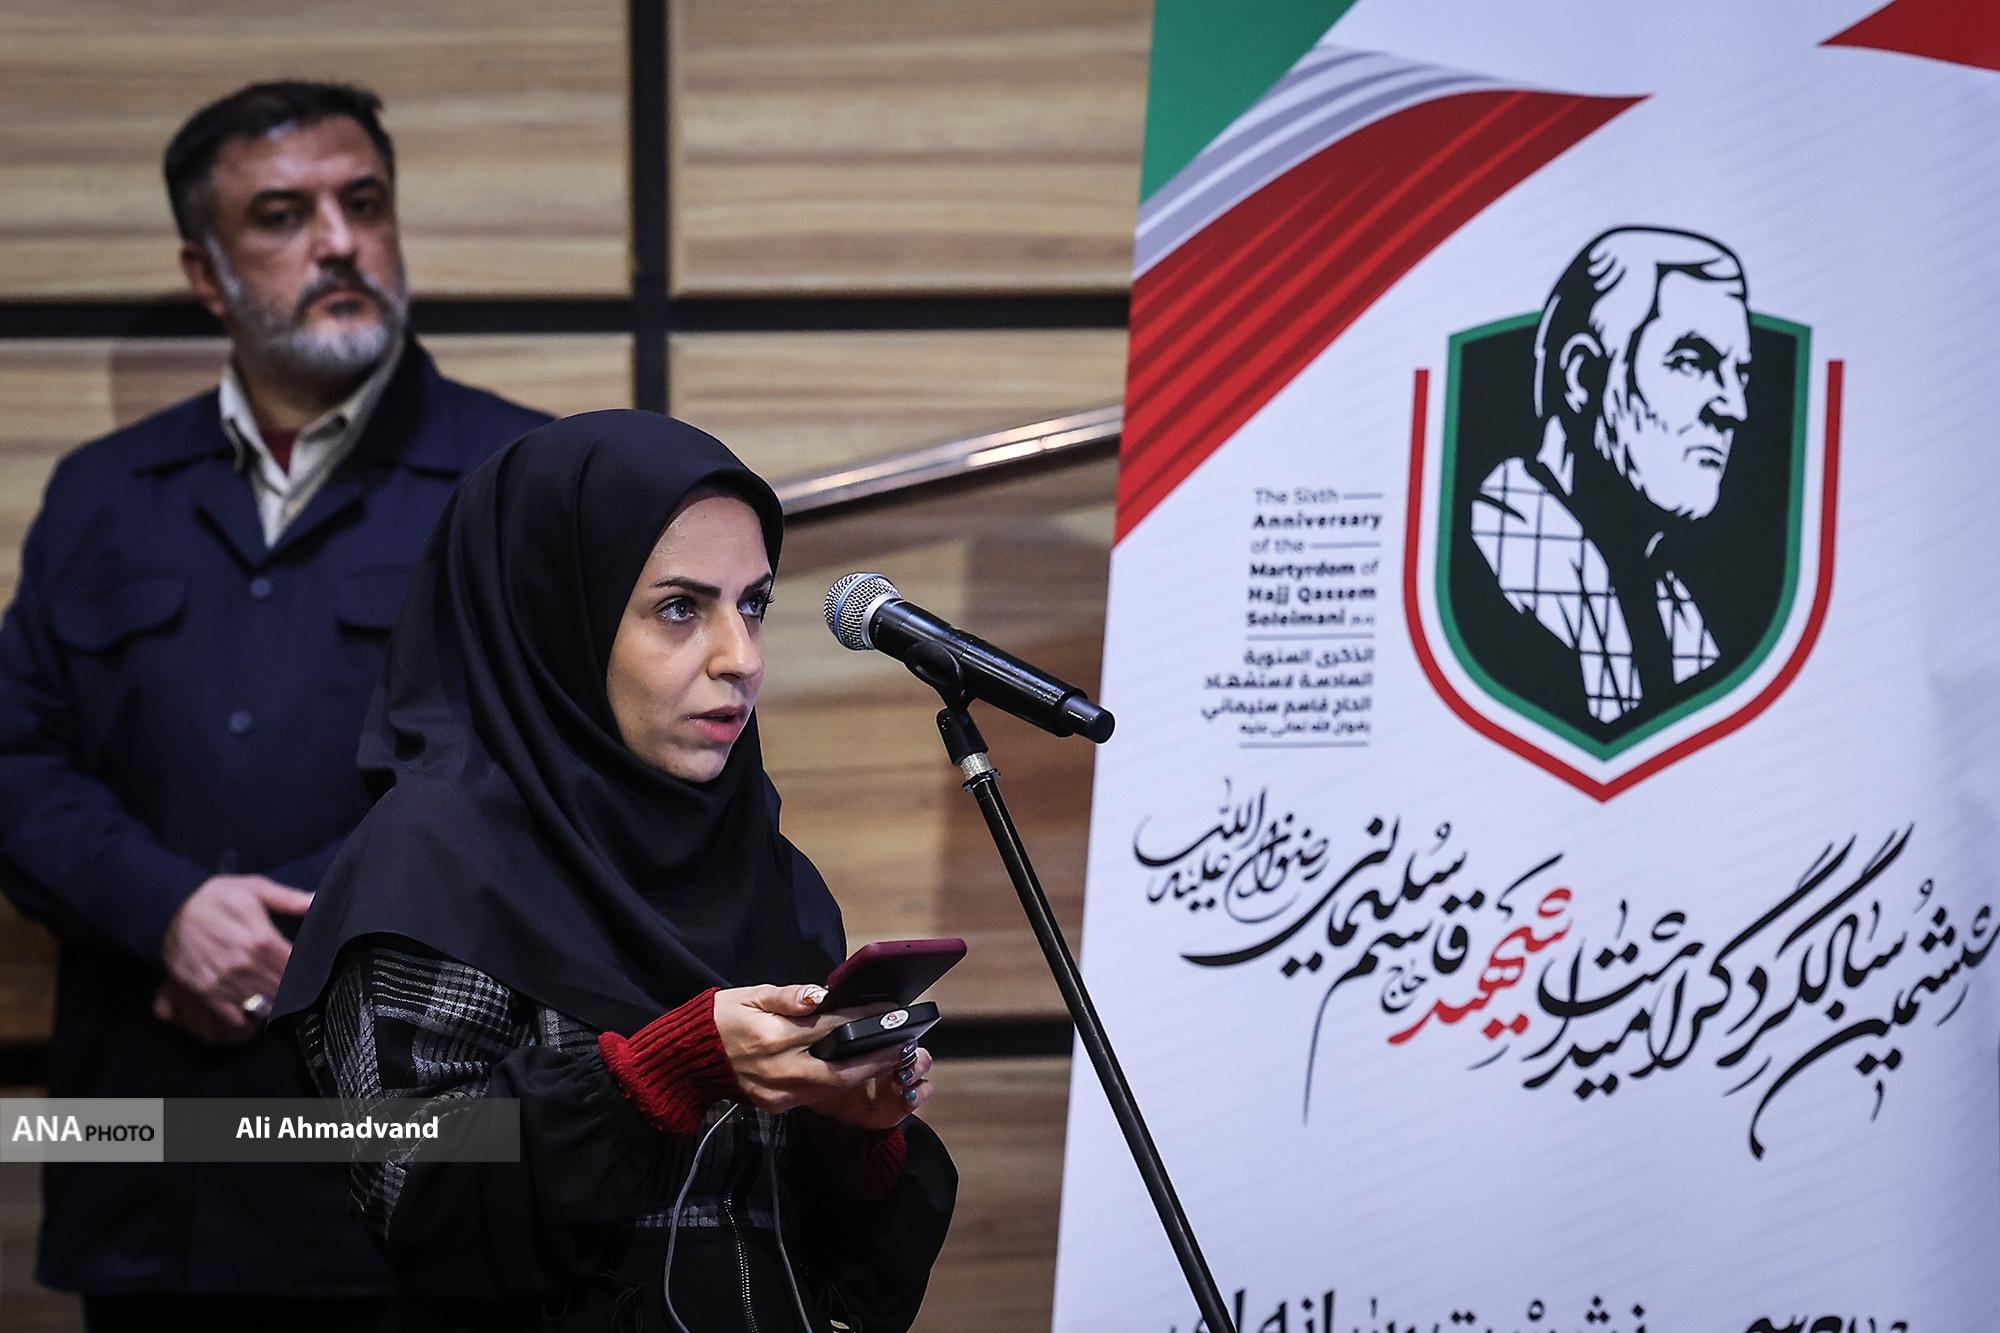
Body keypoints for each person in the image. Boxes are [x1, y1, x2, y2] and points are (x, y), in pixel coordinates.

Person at [0, 81, 547, 1326]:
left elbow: (543, 771)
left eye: (364, 203)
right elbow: (14, 758)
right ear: (206, 273)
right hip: (150, 1152)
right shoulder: (101, 493)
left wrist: (294, 928)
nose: (339, 242)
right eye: (283, 216)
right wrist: (169, 910)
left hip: (417, 1142)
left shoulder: (519, 478)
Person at [270, 412, 958, 1331]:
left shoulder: (769, 872)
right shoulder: (436, 864)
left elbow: (816, 1262)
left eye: (753, 603)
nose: (742, 658)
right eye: (680, 609)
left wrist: (853, 1133)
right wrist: (662, 1073)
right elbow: (417, 1200)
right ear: (557, 618)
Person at [1464, 226, 1753, 730]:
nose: (1735, 408)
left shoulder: (1665, 594)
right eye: (1692, 362)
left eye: (1740, 374)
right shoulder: (1499, 563)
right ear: (1583, 377)